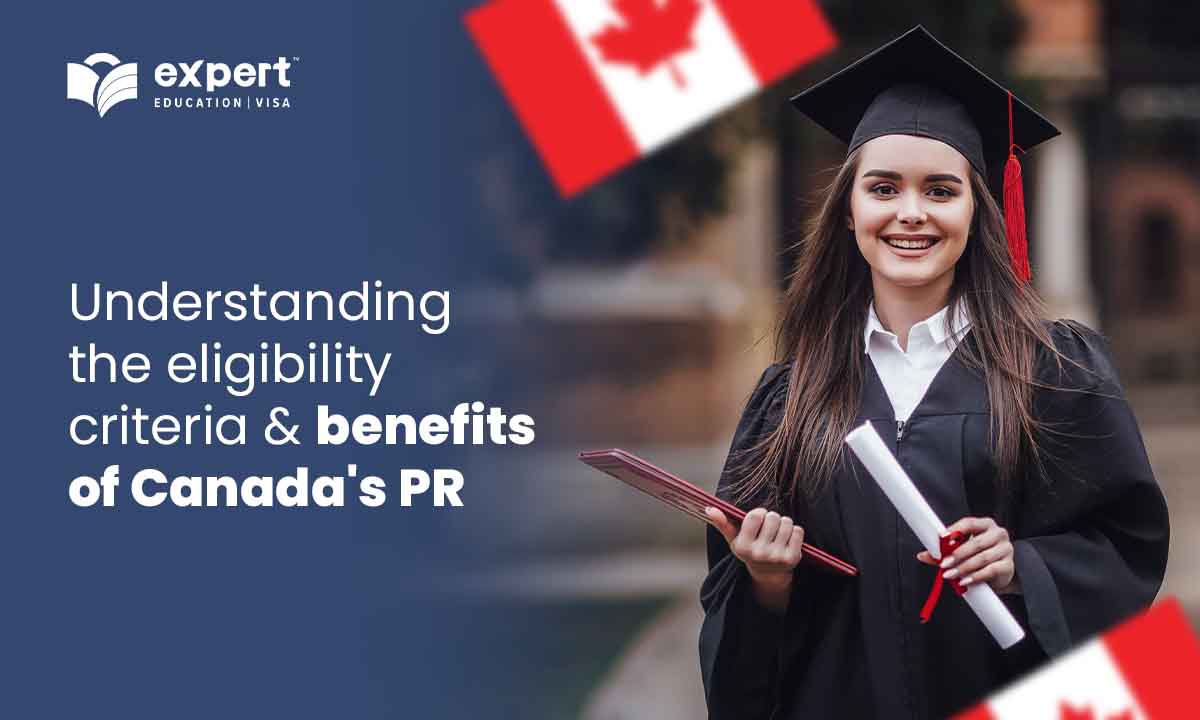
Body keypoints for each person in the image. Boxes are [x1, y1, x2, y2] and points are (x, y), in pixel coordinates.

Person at [698, 26, 1170, 720]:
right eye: (883, 188)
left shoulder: (1056, 373)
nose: (910, 213)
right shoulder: (792, 397)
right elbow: (735, 615)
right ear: (851, 210)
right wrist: (766, 580)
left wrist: (1022, 567)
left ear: (978, 209)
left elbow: (1126, 551)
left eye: (941, 190)